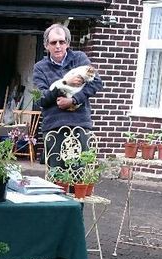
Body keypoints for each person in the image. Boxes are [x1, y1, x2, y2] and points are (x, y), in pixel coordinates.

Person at [33, 23, 103, 167]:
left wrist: (73, 100)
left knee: (79, 178)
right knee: (56, 179)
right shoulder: (40, 68)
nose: (58, 46)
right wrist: (64, 83)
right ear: (46, 45)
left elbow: (96, 83)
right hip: (54, 127)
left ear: (68, 43)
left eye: (61, 42)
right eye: (53, 42)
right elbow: (40, 98)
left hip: (79, 126)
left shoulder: (80, 59)